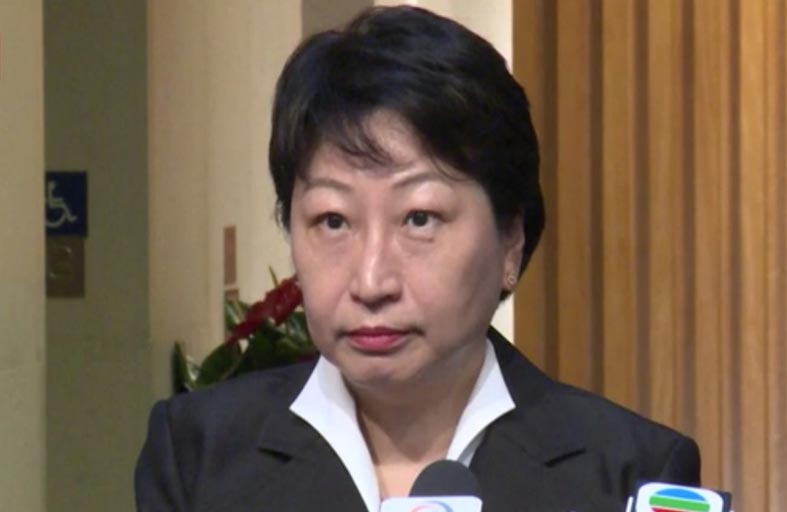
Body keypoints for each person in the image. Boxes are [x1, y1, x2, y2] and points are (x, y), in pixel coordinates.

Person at [135, 6, 700, 511]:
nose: (371, 280)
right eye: (333, 221)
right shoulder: (198, 454)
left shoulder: (629, 473)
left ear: (511, 239)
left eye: (419, 219)